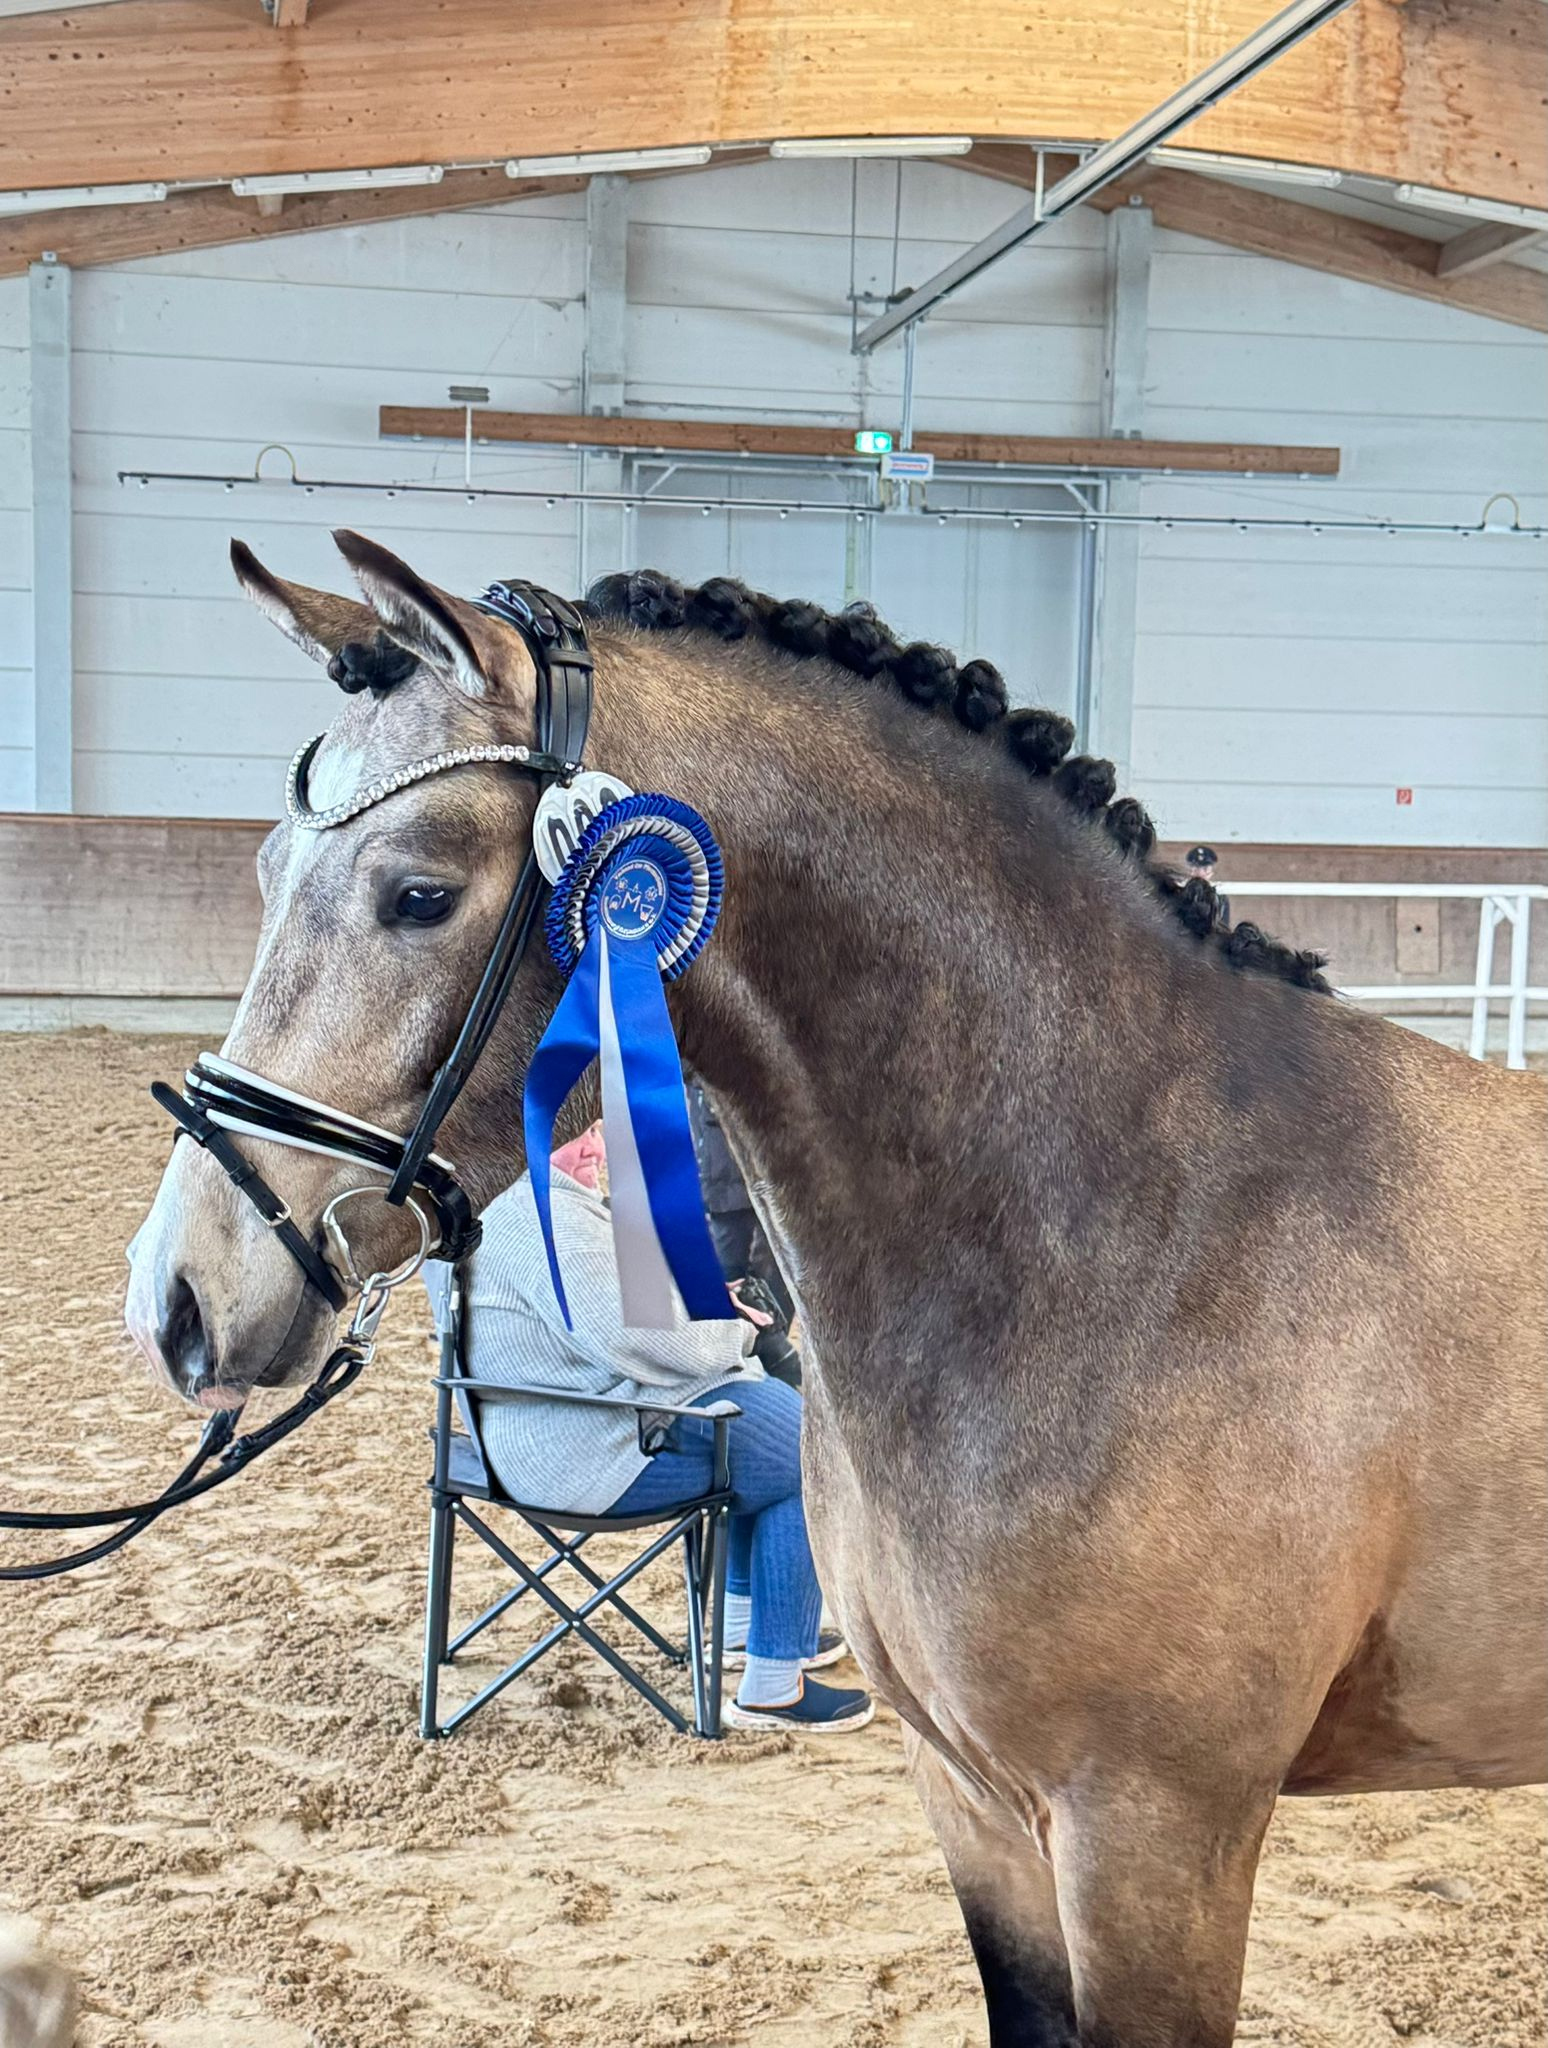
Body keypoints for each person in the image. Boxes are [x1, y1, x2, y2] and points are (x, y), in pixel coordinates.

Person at [427, 1125, 873, 1734]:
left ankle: (743, 1631)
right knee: (809, 1446)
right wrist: (735, 1330)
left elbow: (601, 1321)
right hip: (583, 1453)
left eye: (591, 1131)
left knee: (758, 1420)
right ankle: (773, 1684)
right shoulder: (545, 1216)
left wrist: (701, 1304)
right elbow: (640, 1340)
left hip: (516, 1435)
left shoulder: (477, 1197)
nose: (593, 1149)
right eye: (571, 1136)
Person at [687, 1081, 796, 1329]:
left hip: (776, 1167)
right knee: (729, 1272)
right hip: (725, 1174)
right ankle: (735, 1352)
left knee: (778, 1265)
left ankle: (772, 1350)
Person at [1185, 843, 1231, 928]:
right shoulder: (1180, 896)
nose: (1200, 873)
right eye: (1195, 869)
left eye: (1205, 869)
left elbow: (1224, 928)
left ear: (1211, 872)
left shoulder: (1220, 900)